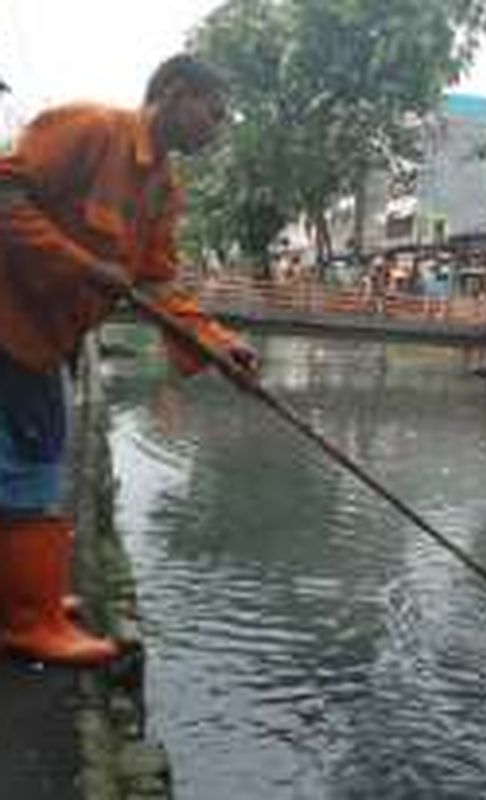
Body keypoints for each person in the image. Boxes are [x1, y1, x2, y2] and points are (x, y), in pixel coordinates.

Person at [0, 54, 257, 667]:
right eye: (213, 114)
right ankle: (28, 622)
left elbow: (159, 283)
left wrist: (219, 345)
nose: (217, 131)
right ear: (173, 93)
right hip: (8, 323)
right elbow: (5, 192)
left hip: (48, 339)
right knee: (34, 461)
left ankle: (22, 596)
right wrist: (83, 264)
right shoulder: (90, 129)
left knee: (27, 457)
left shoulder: (164, 189)